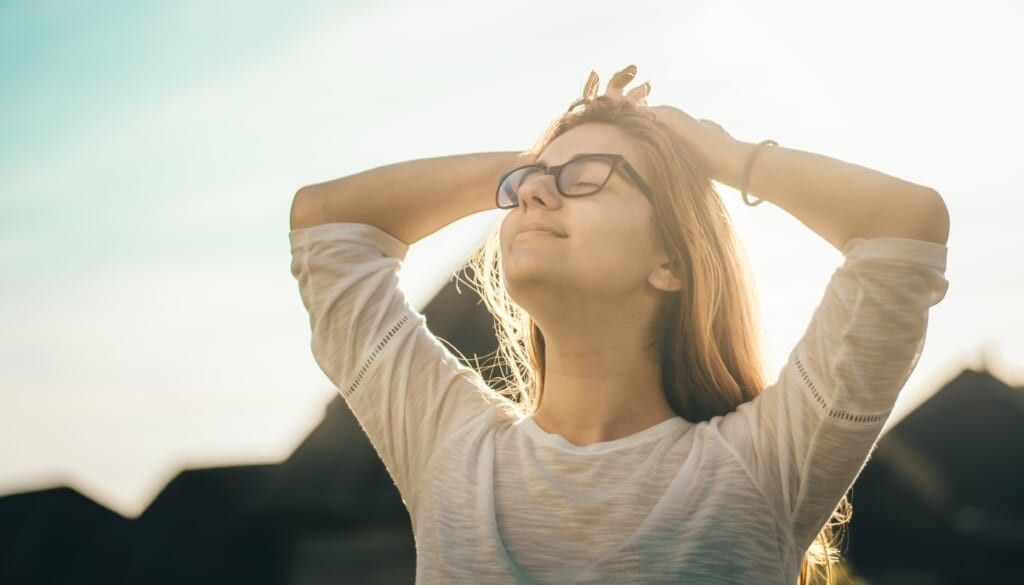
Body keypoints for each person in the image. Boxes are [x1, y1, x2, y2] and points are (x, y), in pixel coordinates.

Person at [288, 64, 950, 584]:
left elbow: (904, 227)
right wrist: (532, 159)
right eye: (526, 186)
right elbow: (327, 225)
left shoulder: (761, 465)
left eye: (587, 178)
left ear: (670, 260)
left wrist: (724, 155)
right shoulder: (451, 450)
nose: (535, 192)